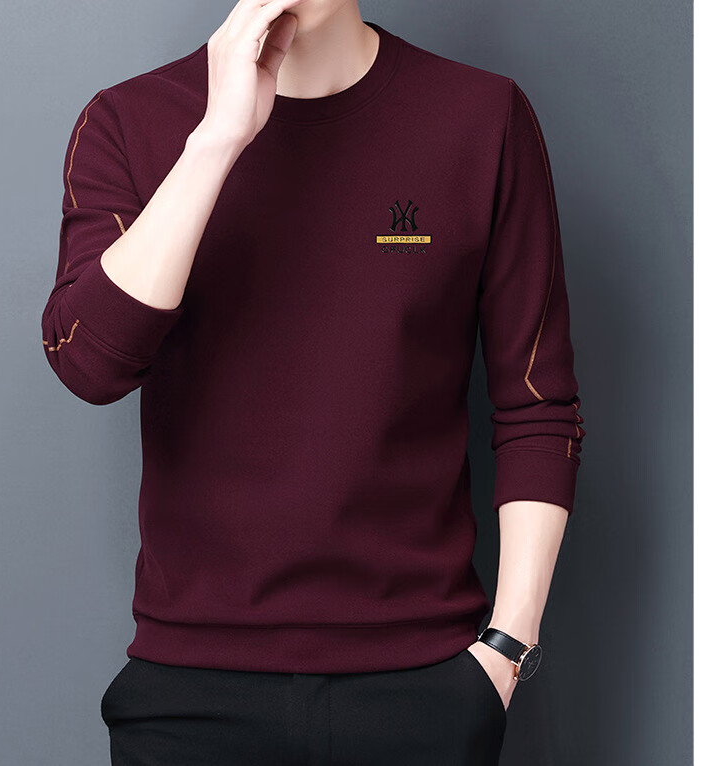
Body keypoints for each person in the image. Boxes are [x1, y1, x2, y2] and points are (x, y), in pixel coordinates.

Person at [40, 0, 586, 763]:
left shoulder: (482, 116)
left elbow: (538, 406)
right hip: (190, 690)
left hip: (424, 685)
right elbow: (89, 363)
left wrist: (507, 647)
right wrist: (218, 137)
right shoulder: (128, 122)